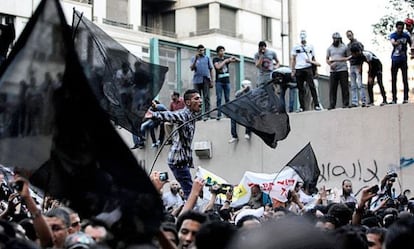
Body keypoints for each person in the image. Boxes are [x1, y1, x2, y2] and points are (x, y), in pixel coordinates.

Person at [145, 89, 202, 198]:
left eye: (200, 98)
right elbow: (171, 115)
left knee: (189, 191)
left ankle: (188, 205)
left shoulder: (192, 115)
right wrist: (152, 114)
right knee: (190, 193)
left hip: (182, 160)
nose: (200, 101)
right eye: (197, 98)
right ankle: (189, 210)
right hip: (178, 161)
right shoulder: (184, 115)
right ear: (188, 102)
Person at [291, 30, 322, 112]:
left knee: (312, 87)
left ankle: (316, 105)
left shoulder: (310, 46)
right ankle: (302, 106)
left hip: (308, 68)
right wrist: (293, 70)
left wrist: (316, 70)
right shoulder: (296, 47)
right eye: (301, 36)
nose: (303, 38)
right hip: (299, 68)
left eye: (304, 36)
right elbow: (293, 59)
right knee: (300, 89)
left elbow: (313, 58)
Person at [213, 45, 239, 120]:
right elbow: (218, 67)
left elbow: (238, 61)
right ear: (218, 52)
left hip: (227, 81)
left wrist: (233, 58)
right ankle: (219, 114)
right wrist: (225, 61)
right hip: (219, 82)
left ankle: (228, 114)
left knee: (227, 98)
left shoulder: (226, 59)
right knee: (219, 98)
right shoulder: (216, 59)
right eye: (221, 51)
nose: (222, 52)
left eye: (223, 50)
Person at [389, 21, 412, 104]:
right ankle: (394, 98)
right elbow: (392, 42)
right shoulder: (393, 35)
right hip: (395, 59)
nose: (400, 30)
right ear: (396, 28)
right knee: (394, 79)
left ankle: (406, 98)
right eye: (399, 28)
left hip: (403, 59)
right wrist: (396, 42)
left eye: (401, 28)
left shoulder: (406, 35)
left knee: (405, 79)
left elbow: (411, 44)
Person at [190, 44, 214, 120]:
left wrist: (212, 80)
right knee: (197, 98)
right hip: (197, 80)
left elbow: (211, 69)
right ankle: (198, 115)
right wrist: (196, 59)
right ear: (197, 51)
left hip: (205, 79)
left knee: (206, 97)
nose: (202, 51)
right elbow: (192, 68)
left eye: (203, 50)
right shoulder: (194, 58)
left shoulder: (207, 58)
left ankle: (207, 114)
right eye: (200, 50)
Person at [326, 32, 350, 109]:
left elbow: (348, 57)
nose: (335, 40)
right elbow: (327, 59)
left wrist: (340, 60)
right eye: (334, 39)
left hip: (343, 69)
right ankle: (332, 104)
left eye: (337, 38)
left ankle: (345, 103)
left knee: (344, 87)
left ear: (339, 39)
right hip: (333, 71)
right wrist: (330, 64)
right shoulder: (329, 48)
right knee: (332, 88)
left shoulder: (344, 47)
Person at [346, 30, 367, 107]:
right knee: (353, 85)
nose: (349, 36)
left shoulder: (358, 43)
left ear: (353, 34)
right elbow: (348, 55)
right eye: (348, 35)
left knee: (360, 84)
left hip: (358, 65)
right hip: (351, 65)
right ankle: (354, 102)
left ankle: (363, 101)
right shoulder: (348, 46)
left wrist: (360, 64)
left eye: (350, 35)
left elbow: (362, 54)